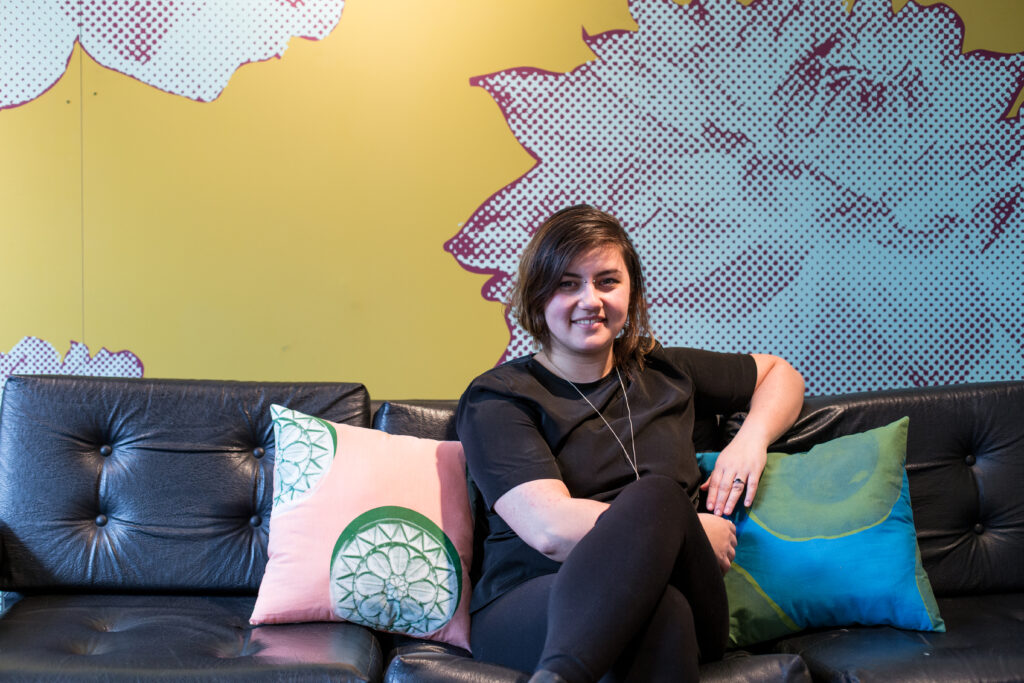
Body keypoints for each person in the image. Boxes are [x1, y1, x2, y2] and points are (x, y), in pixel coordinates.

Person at [455, 205, 805, 682]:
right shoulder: (499, 396)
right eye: (567, 283)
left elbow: (780, 374)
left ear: (632, 292)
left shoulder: (667, 370)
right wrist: (681, 532)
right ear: (538, 298)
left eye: (606, 281)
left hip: (689, 587)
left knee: (658, 513)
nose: (589, 300)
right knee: (662, 599)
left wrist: (751, 440)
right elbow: (550, 529)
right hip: (533, 595)